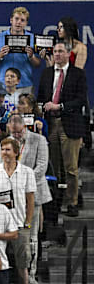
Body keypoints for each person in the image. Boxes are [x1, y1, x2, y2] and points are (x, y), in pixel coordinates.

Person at [37, 41, 88, 217]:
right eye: (55, 51)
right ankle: (55, 203)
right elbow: (41, 98)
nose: (57, 54)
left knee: (71, 168)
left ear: (68, 54)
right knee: (54, 167)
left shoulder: (78, 74)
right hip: (51, 125)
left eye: (60, 51)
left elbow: (81, 100)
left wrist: (60, 106)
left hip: (70, 124)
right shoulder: (46, 73)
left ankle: (72, 202)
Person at [0, 138, 36, 284]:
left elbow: (30, 199)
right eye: (2, 150)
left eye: (8, 150)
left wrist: (28, 223)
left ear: (16, 152)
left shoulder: (27, 172)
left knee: (22, 266)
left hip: (19, 225)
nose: (4, 153)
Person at [3, 114, 51, 284]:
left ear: (25, 127)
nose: (15, 135)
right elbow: (1, 165)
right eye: (12, 132)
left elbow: (41, 167)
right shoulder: (5, 142)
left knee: (31, 236)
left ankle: (31, 275)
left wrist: (22, 184)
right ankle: (12, 274)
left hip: (34, 196)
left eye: (18, 132)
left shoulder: (39, 140)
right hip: (9, 198)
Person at [0, 7, 41, 93]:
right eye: (16, 19)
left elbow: (38, 64)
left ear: (26, 23)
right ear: (11, 20)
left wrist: (32, 56)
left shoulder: (32, 38)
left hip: (25, 85)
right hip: (5, 86)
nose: (19, 22)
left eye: (22, 20)